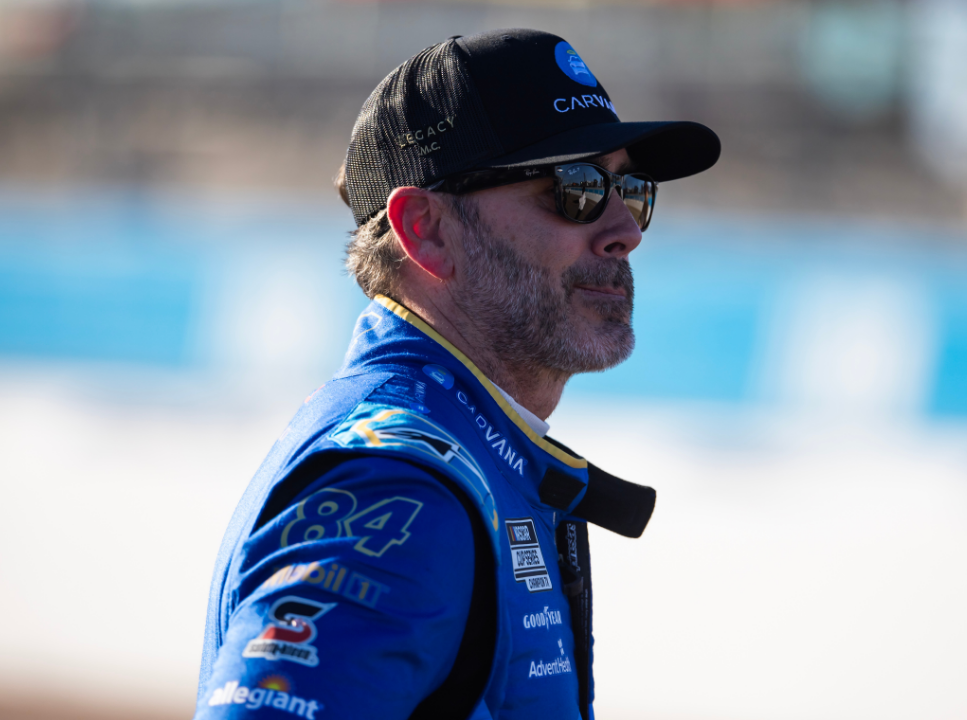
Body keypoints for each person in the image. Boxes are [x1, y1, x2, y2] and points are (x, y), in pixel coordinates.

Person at [194, 28, 720, 720]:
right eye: (577, 188)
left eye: (632, 189)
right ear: (428, 230)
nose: (626, 228)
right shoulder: (398, 487)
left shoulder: (471, 456)